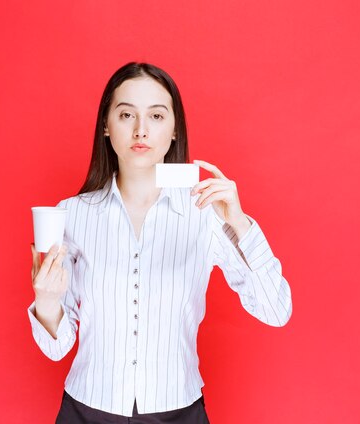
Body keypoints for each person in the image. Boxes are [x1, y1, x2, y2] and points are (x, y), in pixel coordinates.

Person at [28, 62, 292, 423]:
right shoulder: (71, 215)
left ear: (173, 130)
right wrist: (46, 301)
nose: (141, 130)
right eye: (125, 115)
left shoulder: (206, 213)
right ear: (106, 126)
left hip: (179, 412)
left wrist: (240, 223)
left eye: (156, 115)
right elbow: (56, 349)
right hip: (86, 410)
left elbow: (275, 311)